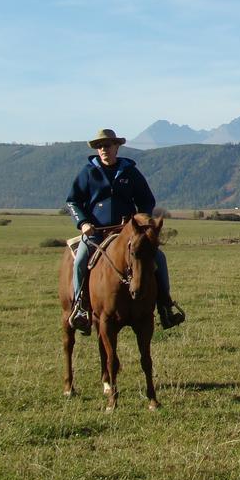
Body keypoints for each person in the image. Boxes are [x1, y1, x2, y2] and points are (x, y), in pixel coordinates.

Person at [66, 128, 185, 335]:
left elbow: (147, 200)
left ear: (117, 147)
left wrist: (140, 220)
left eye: (108, 145)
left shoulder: (130, 172)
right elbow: (73, 201)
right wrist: (84, 223)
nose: (104, 149)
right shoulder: (88, 172)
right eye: (100, 146)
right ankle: (81, 307)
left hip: (128, 232)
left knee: (159, 258)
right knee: (80, 259)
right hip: (96, 231)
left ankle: (165, 306)